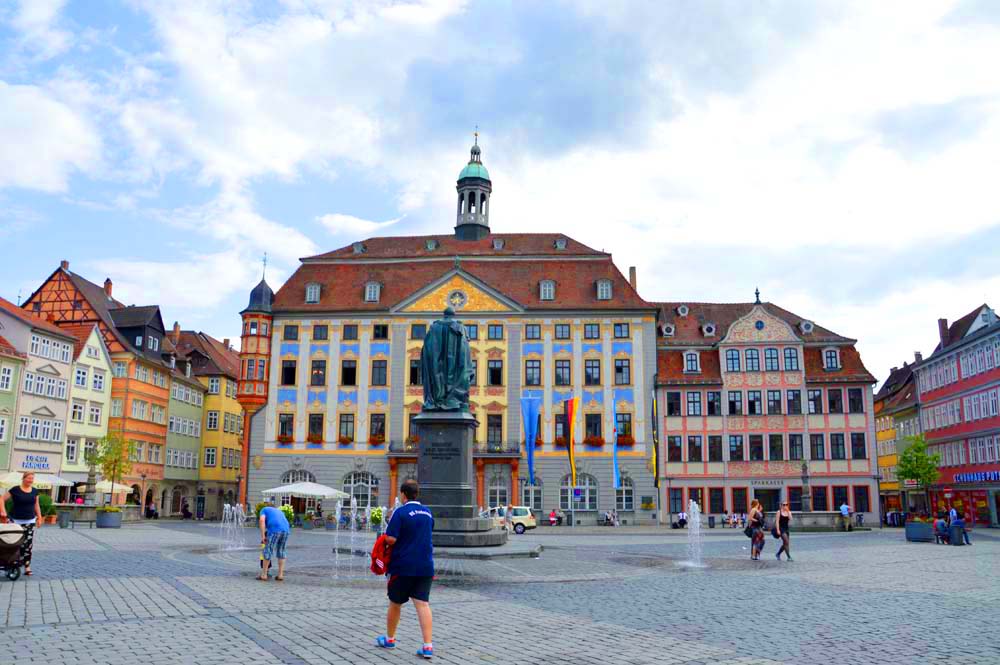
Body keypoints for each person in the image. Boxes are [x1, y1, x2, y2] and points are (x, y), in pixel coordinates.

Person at [376, 479, 435, 659]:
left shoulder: (400, 512)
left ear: (403, 494)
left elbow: (392, 538)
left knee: (395, 602)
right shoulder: (427, 512)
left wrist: (382, 540)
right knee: (422, 604)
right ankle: (427, 646)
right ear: (417, 494)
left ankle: (390, 639)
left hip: (402, 566)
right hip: (425, 565)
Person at [0, 471, 43, 576]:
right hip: (15, 522)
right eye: (29, 478)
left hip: (30, 521)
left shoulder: (35, 491)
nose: (30, 480)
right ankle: (11, 563)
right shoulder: (15, 490)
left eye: (32, 478)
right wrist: (3, 511)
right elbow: (1, 499)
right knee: (14, 543)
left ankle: (27, 566)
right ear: (23, 478)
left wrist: (39, 518)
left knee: (27, 545)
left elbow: (36, 505)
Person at [258, 503, 290, 581]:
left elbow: (262, 520)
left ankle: (264, 575)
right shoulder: (279, 511)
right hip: (286, 530)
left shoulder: (264, 510)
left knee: (268, 550)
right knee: (281, 551)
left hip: (274, 530)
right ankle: (280, 575)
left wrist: (263, 537)